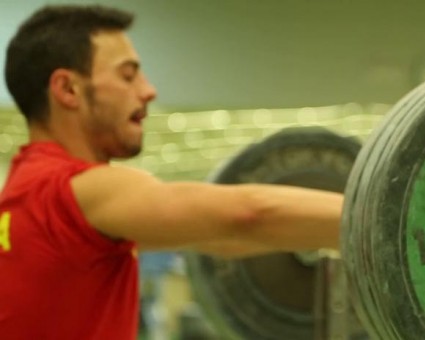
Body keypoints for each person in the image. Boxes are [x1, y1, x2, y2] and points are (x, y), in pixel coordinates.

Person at [0, 4, 344, 339]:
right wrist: (377, 220)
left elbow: (223, 238)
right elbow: (248, 214)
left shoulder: (24, 193)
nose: (148, 90)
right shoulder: (73, 190)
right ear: (68, 89)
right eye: (128, 75)